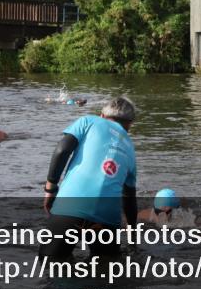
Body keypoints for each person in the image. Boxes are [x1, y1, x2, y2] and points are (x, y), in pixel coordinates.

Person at [41, 96, 138, 258]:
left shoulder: (88, 121)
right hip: (106, 219)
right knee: (106, 272)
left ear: (102, 115)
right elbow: (129, 198)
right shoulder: (130, 149)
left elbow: (62, 151)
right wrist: (132, 237)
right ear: (129, 124)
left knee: (50, 264)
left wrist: (50, 189)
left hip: (70, 206)